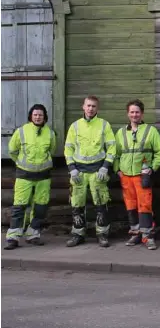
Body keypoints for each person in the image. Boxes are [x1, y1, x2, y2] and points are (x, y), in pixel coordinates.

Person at [64, 96, 116, 247]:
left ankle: (102, 234)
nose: (91, 108)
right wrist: (72, 169)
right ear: (83, 107)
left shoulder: (104, 125)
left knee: (101, 203)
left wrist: (105, 166)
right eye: (88, 105)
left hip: (98, 171)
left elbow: (112, 148)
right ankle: (78, 234)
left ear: (97, 108)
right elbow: (68, 149)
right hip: (78, 172)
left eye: (93, 106)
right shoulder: (75, 126)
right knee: (76, 204)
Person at [114, 99, 160, 250]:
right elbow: (115, 154)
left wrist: (152, 168)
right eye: (132, 112)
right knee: (130, 205)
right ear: (128, 114)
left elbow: (159, 153)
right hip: (126, 176)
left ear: (142, 113)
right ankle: (135, 233)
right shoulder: (121, 132)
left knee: (145, 205)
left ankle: (148, 236)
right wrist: (117, 170)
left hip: (142, 176)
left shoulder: (151, 131)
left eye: (137, 112)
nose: (134, 115)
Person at [4, 104, 57, 250]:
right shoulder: (21, 131)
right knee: (19, 206)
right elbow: (12, 150)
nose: (38, 117)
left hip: (44, 177)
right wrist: (22, 164)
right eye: (35, 115)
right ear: (30, 116)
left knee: (40, 207)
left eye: (40, 115)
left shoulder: (50, 133)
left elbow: (51, 150)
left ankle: (33, 234)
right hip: (24, 175)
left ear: (44, 116)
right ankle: (13, 237)